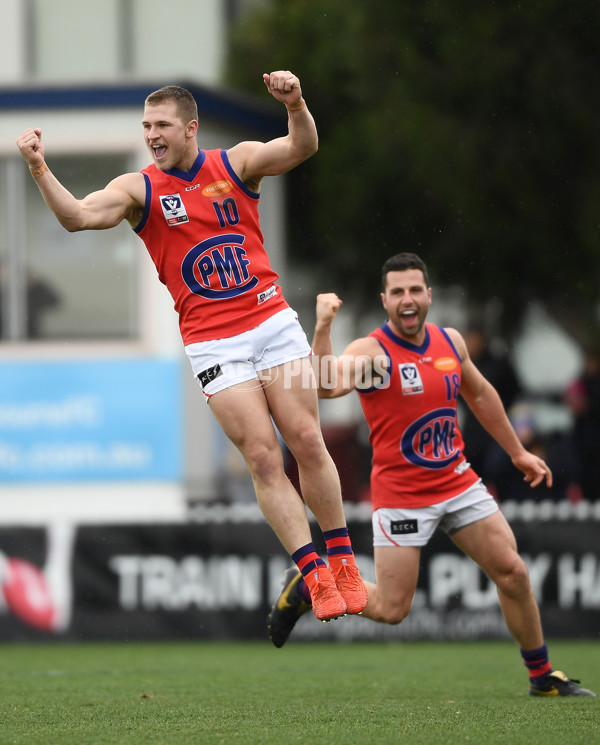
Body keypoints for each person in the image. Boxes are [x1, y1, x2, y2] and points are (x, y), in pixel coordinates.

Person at [16, 71, 367, 625]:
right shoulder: (139, 189)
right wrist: (39, 167)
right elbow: (77, 216)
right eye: (145, 126)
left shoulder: (236, 164)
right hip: (213, 341)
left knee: (304, 436)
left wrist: (297, 102)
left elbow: (303, 145)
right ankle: (313, 571)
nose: (152, 134)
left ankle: (343, 558)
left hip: (271, 320)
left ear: (190, 128)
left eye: (161, 125)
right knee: (260, 455)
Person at [268, 252, 595, 698]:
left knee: (513, 573)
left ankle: (542, 677)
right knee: (392, 608)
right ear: (385, 300)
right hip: (402, 494)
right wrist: (323, 326)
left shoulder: (450, 343)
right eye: (398, 291)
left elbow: (480, 395)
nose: (408, 299)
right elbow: (326, 385)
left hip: (458, 482)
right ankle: (311, 584)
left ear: (429, 295)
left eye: (415, 290)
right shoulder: (374, 352)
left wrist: (517, 451)